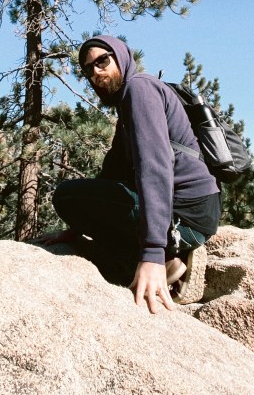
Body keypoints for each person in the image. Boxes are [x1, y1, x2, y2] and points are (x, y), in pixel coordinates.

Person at [51, 35, 221, 314]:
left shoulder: (139, 89)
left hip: (187, 216)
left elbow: (154, 166)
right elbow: (112, 172)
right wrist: (81, 224)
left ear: (121, 57)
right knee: (74, 201)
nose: (96, 72)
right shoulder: (127, 104)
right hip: (195, 212)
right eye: (88, 69)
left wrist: (153, 251)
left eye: (102, 61)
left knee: (65, 196)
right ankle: (165, 253)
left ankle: (168, 262)